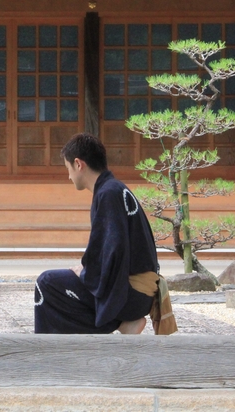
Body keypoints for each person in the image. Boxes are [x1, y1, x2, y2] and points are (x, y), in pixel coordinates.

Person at [35, 133, 171, 335]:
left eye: (68, 169)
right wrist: (86, 267)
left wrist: (83, 272)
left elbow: (113, 250)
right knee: (61, 286)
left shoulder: (108, 193)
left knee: (46, 284)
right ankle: (116, 326)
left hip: (131, 296)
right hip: (139, 293)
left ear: (79, 164)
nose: (69, 176)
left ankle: (119, 324)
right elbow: (111, 247)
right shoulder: (115, 188)